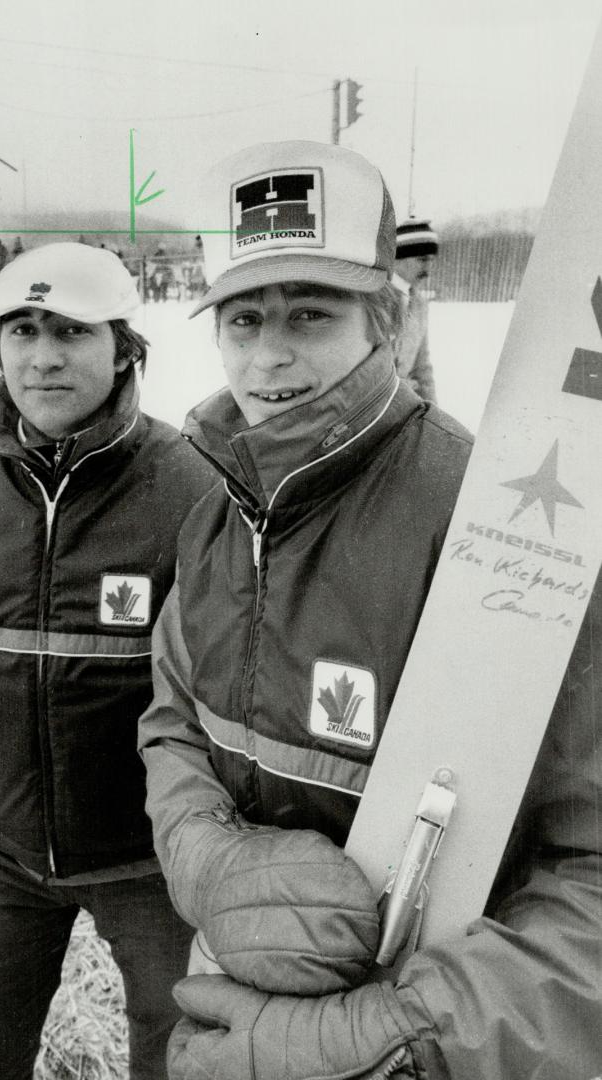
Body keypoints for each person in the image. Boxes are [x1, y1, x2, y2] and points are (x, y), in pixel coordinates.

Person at [139, 140, 601, 1079]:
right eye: (242, 318)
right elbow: (172, 725)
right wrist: (209, 860)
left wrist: (394, 1042)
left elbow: (588, 872)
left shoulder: (498, 533)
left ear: (386, 318)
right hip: (234, 1012)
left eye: (309, 313)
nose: (268, 357)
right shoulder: (213, 517)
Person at [0, 242, 216, 1080]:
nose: (43, 355)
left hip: (154, 869)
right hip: (5, 862)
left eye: (71, 331)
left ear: (125, 349)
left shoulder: (191, 488)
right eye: (22, 330)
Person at [392, 216, 439, 402]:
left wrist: (432, 412)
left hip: (406, 406)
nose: (428, 267)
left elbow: (422, 367)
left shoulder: (419, 303)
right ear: (397, 259)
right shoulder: (372, 299)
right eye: (422, 259)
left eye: (431, 260)